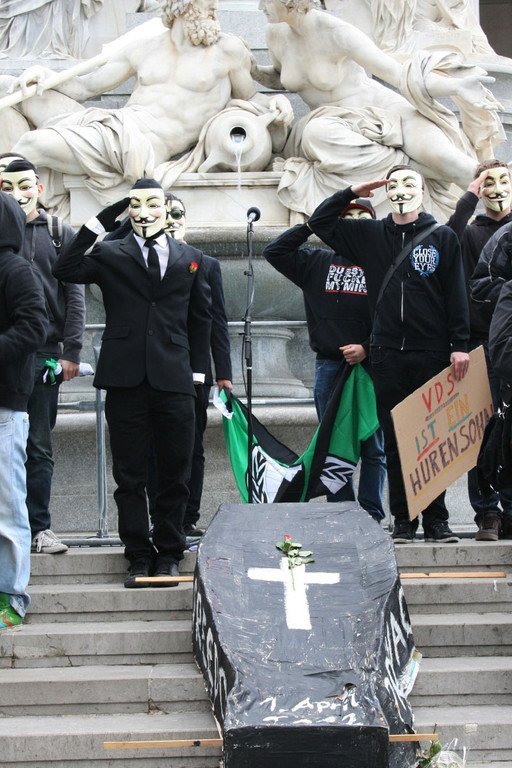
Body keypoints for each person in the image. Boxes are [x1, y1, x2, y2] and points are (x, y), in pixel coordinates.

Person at [53, 178, 211, 588]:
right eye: (137, 205)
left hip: (175, 378)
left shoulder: (190, 257)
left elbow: (200, 321)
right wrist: (106, 217)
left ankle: (170, 552)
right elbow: (64, 267)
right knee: (130, 474)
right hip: (125, 378)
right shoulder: (111, 252)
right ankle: (138, 554)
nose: (144, 213)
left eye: (153, 205)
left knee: (175, 471)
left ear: (166, 208)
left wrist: (198, 375)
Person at [307, 165, 470, 543]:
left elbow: (456, 294)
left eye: (409, 183)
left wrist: (459, 344)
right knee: (396, 441)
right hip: (386, 355)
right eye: (393, 184)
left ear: (422, 191)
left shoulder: (442, 237)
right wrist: (352, 191)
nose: (401, 190)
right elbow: (320, 222)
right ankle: (404, 520)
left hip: (431, 353)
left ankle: (437, 520)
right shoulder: (370, 235)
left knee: (433, 441)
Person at [6, 0, 292, 210]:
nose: (214, 14)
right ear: (182, 7)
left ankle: (9, 213)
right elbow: (86, 87)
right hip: (111, 124)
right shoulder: (143, 47)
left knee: (31, 145)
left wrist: (276, 100)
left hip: (138, 147)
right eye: (208, 8)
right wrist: (46, 75)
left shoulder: (227, 51)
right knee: (9, 85)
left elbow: (248, 98)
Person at [253, 0, 503, 219]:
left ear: (290, 2)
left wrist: (455, 87)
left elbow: (398, 74)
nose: (261, 6)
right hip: (332, 122)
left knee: (455, 164)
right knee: (315, 133)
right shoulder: (275, 34)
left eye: (267, 0)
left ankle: (504, 217)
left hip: (383, 111)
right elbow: (282, 77)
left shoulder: (336, 32)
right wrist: (253, 71)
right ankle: (414, 171)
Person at [105, 192, 233, 538]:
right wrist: (129, 221)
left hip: (190, 370)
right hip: (146, 368)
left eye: (178, 213)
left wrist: (222, 372)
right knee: (146, 447)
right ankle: (154, 518)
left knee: (190, 447)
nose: (173, 219)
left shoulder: (203, 262)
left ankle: (187, 516)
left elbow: (215, 321)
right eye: (167, 212)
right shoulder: (133, 256)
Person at [263, 197, 386, 521]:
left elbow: (397, 317)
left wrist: (367, 347)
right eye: (349, 216)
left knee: (374, 446)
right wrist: (310, 226)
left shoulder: (385, 263)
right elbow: (274, 251)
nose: (356, 221)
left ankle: (371, 515)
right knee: (332, 444)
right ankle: (343, 515)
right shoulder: (315, 262)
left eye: (363, 216)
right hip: (330, 366)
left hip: (371, 368)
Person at [1, 159, 85, 554]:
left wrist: (72, 350)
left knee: (38, 443)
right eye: (6, 186)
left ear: (39, 188)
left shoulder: (57, 232)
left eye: (23, 185)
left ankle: (39, 527)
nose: (16, 193)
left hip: (44, 353)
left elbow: (75, 292)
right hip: (8, 352)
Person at [448, 160, 512, 541]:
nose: (497, 189)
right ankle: (487, 512)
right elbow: (445, 244)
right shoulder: (469, 233)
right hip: (479, 343)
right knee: (480, 429)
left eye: (504, 180)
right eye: (488, 182)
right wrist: (467, 199)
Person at [0, 191, 48, 629]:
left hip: (5, 406)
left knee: (7, 507)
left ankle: (11, 596)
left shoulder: (15, 270)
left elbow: (35, 327)